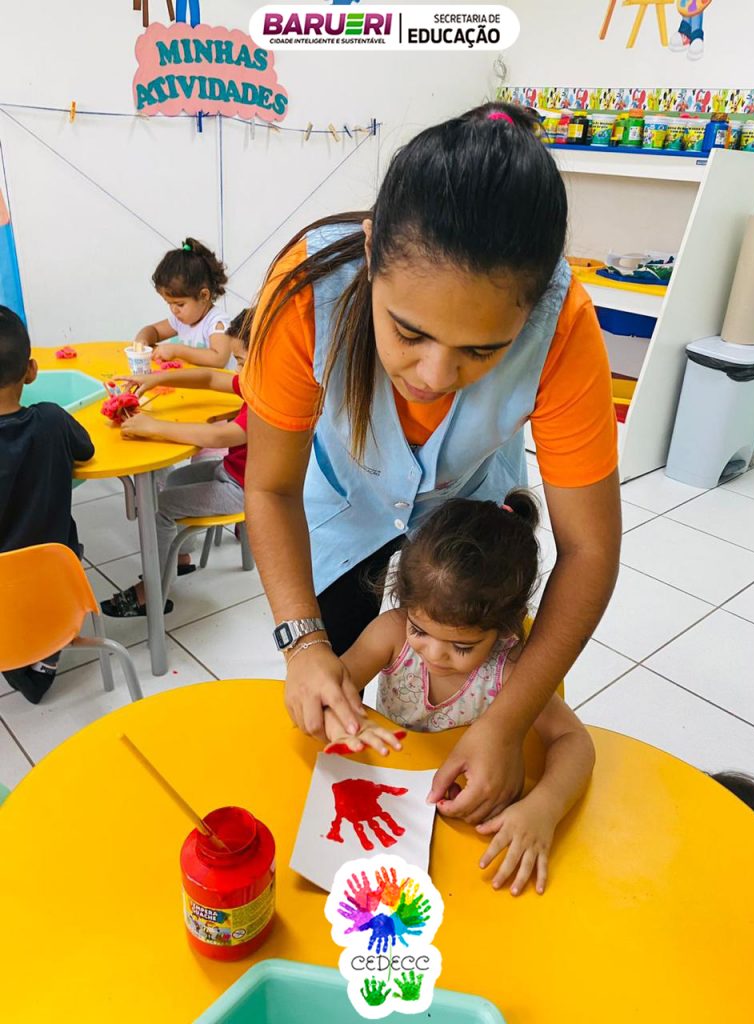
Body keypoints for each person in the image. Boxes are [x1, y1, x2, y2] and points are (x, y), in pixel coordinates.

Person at [240, 102, 621, 824]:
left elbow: (591, 548)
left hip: (471, 530)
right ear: (371, 247)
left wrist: (506, 722)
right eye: (409, 333)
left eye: (483, 350)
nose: (436, 376)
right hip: (339, 517)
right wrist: (304, 643)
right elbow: (269, 487)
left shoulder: (564, 327)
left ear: (532, 308)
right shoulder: (308, 294)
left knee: (489, 699)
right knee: (329, 706)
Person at [323, 491, 595, 896]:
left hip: (467, 824)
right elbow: (335, 687)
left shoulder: (509, 670)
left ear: (505, 629)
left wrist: (544, 807)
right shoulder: (391, 633)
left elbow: (575, 741)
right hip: (396, 798)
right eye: (420, 630)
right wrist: (341, 718)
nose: (434, 654)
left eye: (462, 646)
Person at [101, 311, 250, 617]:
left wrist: (154, 426)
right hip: (231, 472)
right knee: (170, 483)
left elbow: (219, 434)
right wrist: (155, 378)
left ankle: (151, 594)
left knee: (161, 509)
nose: (238, 370)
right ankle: (179, 558)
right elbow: (210, 378)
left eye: (241, 362)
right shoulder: (255, 383)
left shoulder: (268, 400)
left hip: (245, 489)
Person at [0, 305, 94, 702]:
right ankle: (42, 658)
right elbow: (86, 450)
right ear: (31, 371)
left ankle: (17, 653)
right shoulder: (52, 420)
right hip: (56, 577)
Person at [134, 237, 232, 368]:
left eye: (180, 304)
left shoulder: (216, 322)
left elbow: (219, 359)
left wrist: (177, 351)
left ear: (204, 295)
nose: (174, 310)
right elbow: (154, 330)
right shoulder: (181, 320)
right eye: (169, 303)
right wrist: (142, 340)